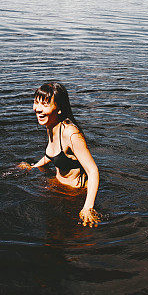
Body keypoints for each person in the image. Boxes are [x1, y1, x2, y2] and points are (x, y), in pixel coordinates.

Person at [18, 82, 101, 227]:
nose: (38, 109)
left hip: (75, 195)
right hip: (57, 187)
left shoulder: (71, 133)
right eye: (36, 102)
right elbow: (53, 154)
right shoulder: (50, 124)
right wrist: (33, 167)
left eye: (45, 104)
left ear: (59, 109)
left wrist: (88, 207)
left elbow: (93, 171)